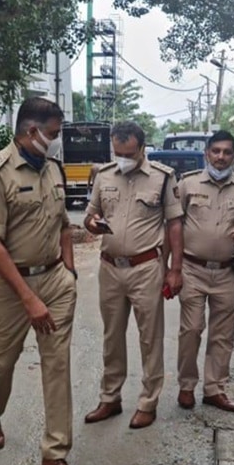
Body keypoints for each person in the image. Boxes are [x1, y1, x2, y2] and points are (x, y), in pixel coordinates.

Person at [0, 96, 82, 465]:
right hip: (9, 287)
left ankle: (55, 454)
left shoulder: (54, 170)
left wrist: (68, 271)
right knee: (5, 358)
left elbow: (65, 225)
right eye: (52, 134)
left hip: (54, 280)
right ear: (30, 131)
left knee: (57, 366)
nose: (56, 141)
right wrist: (28, 298)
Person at [83, 121, 184, 430]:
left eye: (128, 152)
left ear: (142, 147)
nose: (123, 158)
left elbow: (175, 225)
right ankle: (110, 398)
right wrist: (92, 223)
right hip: (111, 267)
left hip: (146, 269)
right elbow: (89, 215)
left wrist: (174, 269)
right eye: (117, 152)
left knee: (149, 337)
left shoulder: (163, 178)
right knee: (112, 336)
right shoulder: (104, 176)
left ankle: (147, 402)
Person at [176, 131, 234, 413]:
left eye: (227, 152)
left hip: (227, 272)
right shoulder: (188, 184)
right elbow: (173, 226)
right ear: (207, 153)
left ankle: (214, 389)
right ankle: (186, 386)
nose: (221, 157)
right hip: (192, 269)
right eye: (216, 151)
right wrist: (171, 269)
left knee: (222, 334)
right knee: (191, 330)